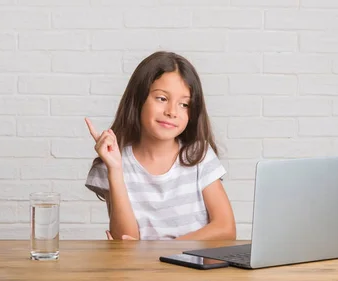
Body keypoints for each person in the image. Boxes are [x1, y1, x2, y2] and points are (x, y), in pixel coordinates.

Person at [84, 51, 236, 241]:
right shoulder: (114, 163)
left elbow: (225, 228)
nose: (172, 112)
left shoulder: (199, 155)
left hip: (195, 269)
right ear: (139, 100)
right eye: (162, 99)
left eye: (184, 105)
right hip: (144, 271)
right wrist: (114, 169)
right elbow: (124, 242)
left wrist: (159, 251)